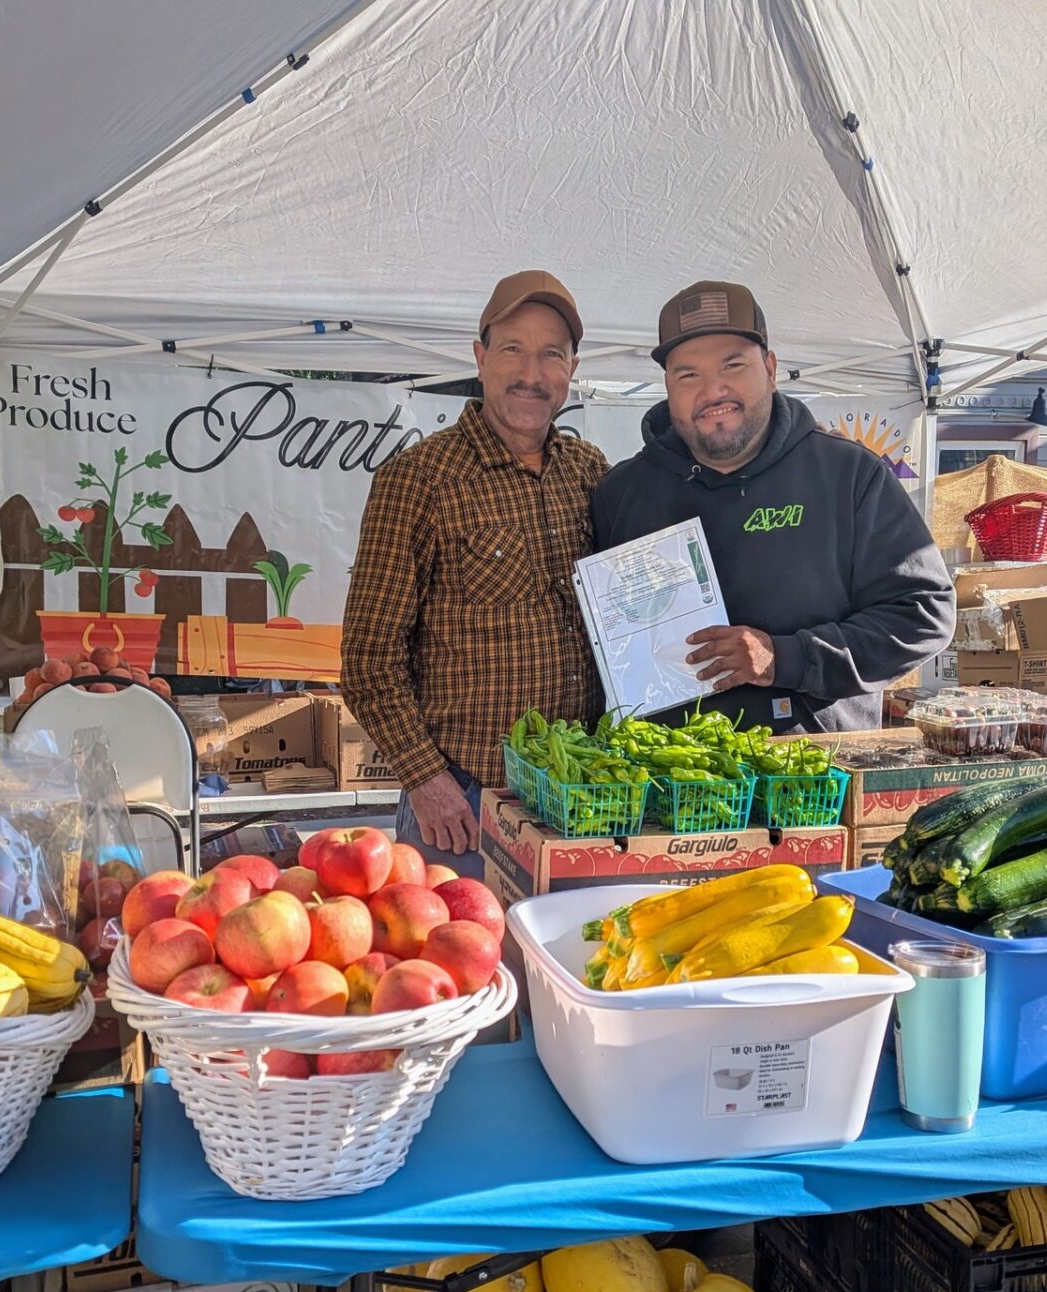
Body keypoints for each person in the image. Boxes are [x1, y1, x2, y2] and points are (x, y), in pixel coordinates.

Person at [592, 279, 955, 732]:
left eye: (733, 365)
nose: (713, 390)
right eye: (688, 374)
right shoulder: (620, 493)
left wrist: (785, 658)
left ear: (770, 367)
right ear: (667, 385)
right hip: (667, 783)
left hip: (815, 781)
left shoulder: (850, 475)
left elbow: (924, 613)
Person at [343, 271, 607, 876]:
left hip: (578, 802)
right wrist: (424, 779)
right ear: (481, 357)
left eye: (551, 355)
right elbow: (368, 654)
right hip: (461, 806)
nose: (531, 375)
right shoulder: (419, 479)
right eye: (513, 349)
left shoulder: (592, 474)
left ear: (572, 369)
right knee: (453, 967)